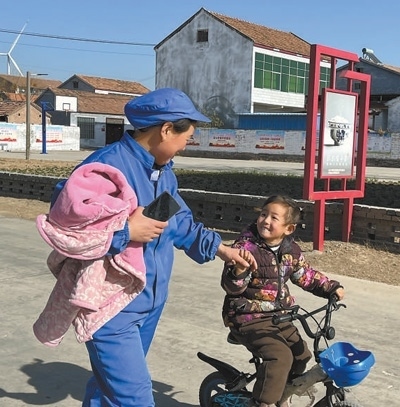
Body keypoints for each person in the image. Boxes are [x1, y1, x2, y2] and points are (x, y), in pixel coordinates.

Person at [34, 87, 257, 407]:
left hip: (150, 303)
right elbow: (65, 225)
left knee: (108, 388)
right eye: (186, 137)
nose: (186, 145)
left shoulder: (162, 173)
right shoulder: (105, 167)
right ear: (166, 130)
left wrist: (221, 249)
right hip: (112, 308)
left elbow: (178, 221)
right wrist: (125, 231)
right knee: (136, 398)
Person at [221, 195, 345, 407]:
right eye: (263, 214)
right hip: (247, 317)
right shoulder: (245, 248)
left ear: (289, 229)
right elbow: (231, 287)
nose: (265, 220)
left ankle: (281, 394)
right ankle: (264, 402)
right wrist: (239, 271)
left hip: (279, 316)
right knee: (280, 357)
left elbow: (305, 275)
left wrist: (331, 287)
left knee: (301, 354)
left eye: (274, 217)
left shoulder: (291, 251)